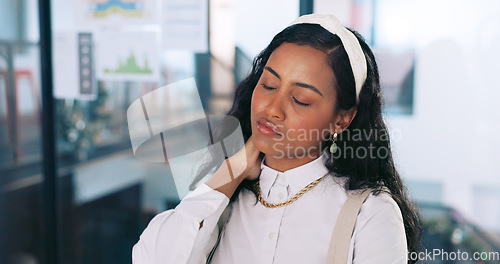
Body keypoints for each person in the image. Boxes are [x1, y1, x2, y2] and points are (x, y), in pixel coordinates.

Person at [132, 14, 422, 264]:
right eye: (268, 84)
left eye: (300, 99)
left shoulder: (370, 213)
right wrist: (231, 172)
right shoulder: (224, 195)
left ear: (342, 119)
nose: (272, 109)